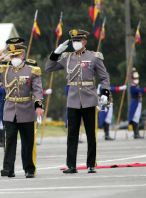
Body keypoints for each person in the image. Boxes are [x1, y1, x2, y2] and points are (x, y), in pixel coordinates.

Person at [45, 29, 110, 174]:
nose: (75, 43)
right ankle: (71, 166)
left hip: (89, 99)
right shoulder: (67, 57)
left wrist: (105, 93)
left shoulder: (94, 57)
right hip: (73, 100)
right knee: (72, 134)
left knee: (90, 134)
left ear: (84, 42)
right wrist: (56, 52)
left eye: (77, 41)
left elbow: (104, 77)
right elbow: (49, 68)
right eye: (73, 41)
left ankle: (91, 164)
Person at [0, 37, 44, 179]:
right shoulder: (4, 69)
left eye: (16, 55)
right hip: (10, 109)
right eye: (12, 56)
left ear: (22, 55)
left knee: (28, 142)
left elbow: (37, 89)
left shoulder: (32, 70)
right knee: (9, 140)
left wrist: (38, 106)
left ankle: (29, 169)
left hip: (27, 109)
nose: (14, 58)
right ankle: (8, 168)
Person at [128, 68, 146, 139]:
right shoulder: (133, 87)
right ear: (132, 79)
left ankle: (136, 133)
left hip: (138, 103)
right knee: (135, 118)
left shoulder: (136, 86)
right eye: (135, 78)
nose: (136, 79)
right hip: (135, 103)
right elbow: (139, 90)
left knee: (137, 118)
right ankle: (136, 133)